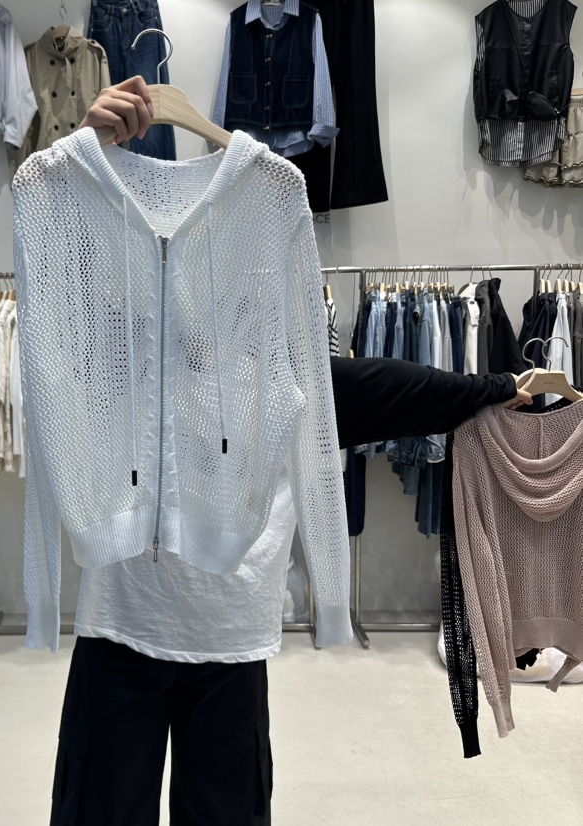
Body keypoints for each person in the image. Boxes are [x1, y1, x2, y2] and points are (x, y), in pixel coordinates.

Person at [39, 77, 534, 826]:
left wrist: (493, 387)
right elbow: (55, 276)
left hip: (230, 638)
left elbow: (381, 388)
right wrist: (82, 153)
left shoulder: (274, 369)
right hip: (121, 625)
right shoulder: (118, 348)